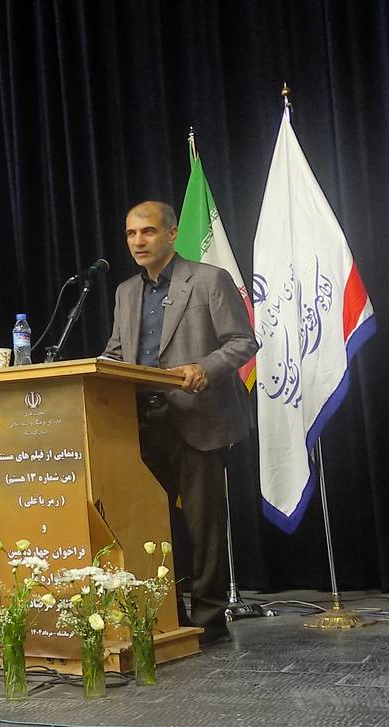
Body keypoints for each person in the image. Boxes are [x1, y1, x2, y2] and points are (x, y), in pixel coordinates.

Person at [102, 200, 257, 646]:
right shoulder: (125, 292)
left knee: (204, 526)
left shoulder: (209, 279)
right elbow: (117, 352)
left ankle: (209, 619)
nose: (138, 241)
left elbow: (243, 341)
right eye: (131, 234)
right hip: (143, 421)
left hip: (199, 417)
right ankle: (167, 615)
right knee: (151, 525)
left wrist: (204, 368)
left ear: (171, 234)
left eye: (148, 231)